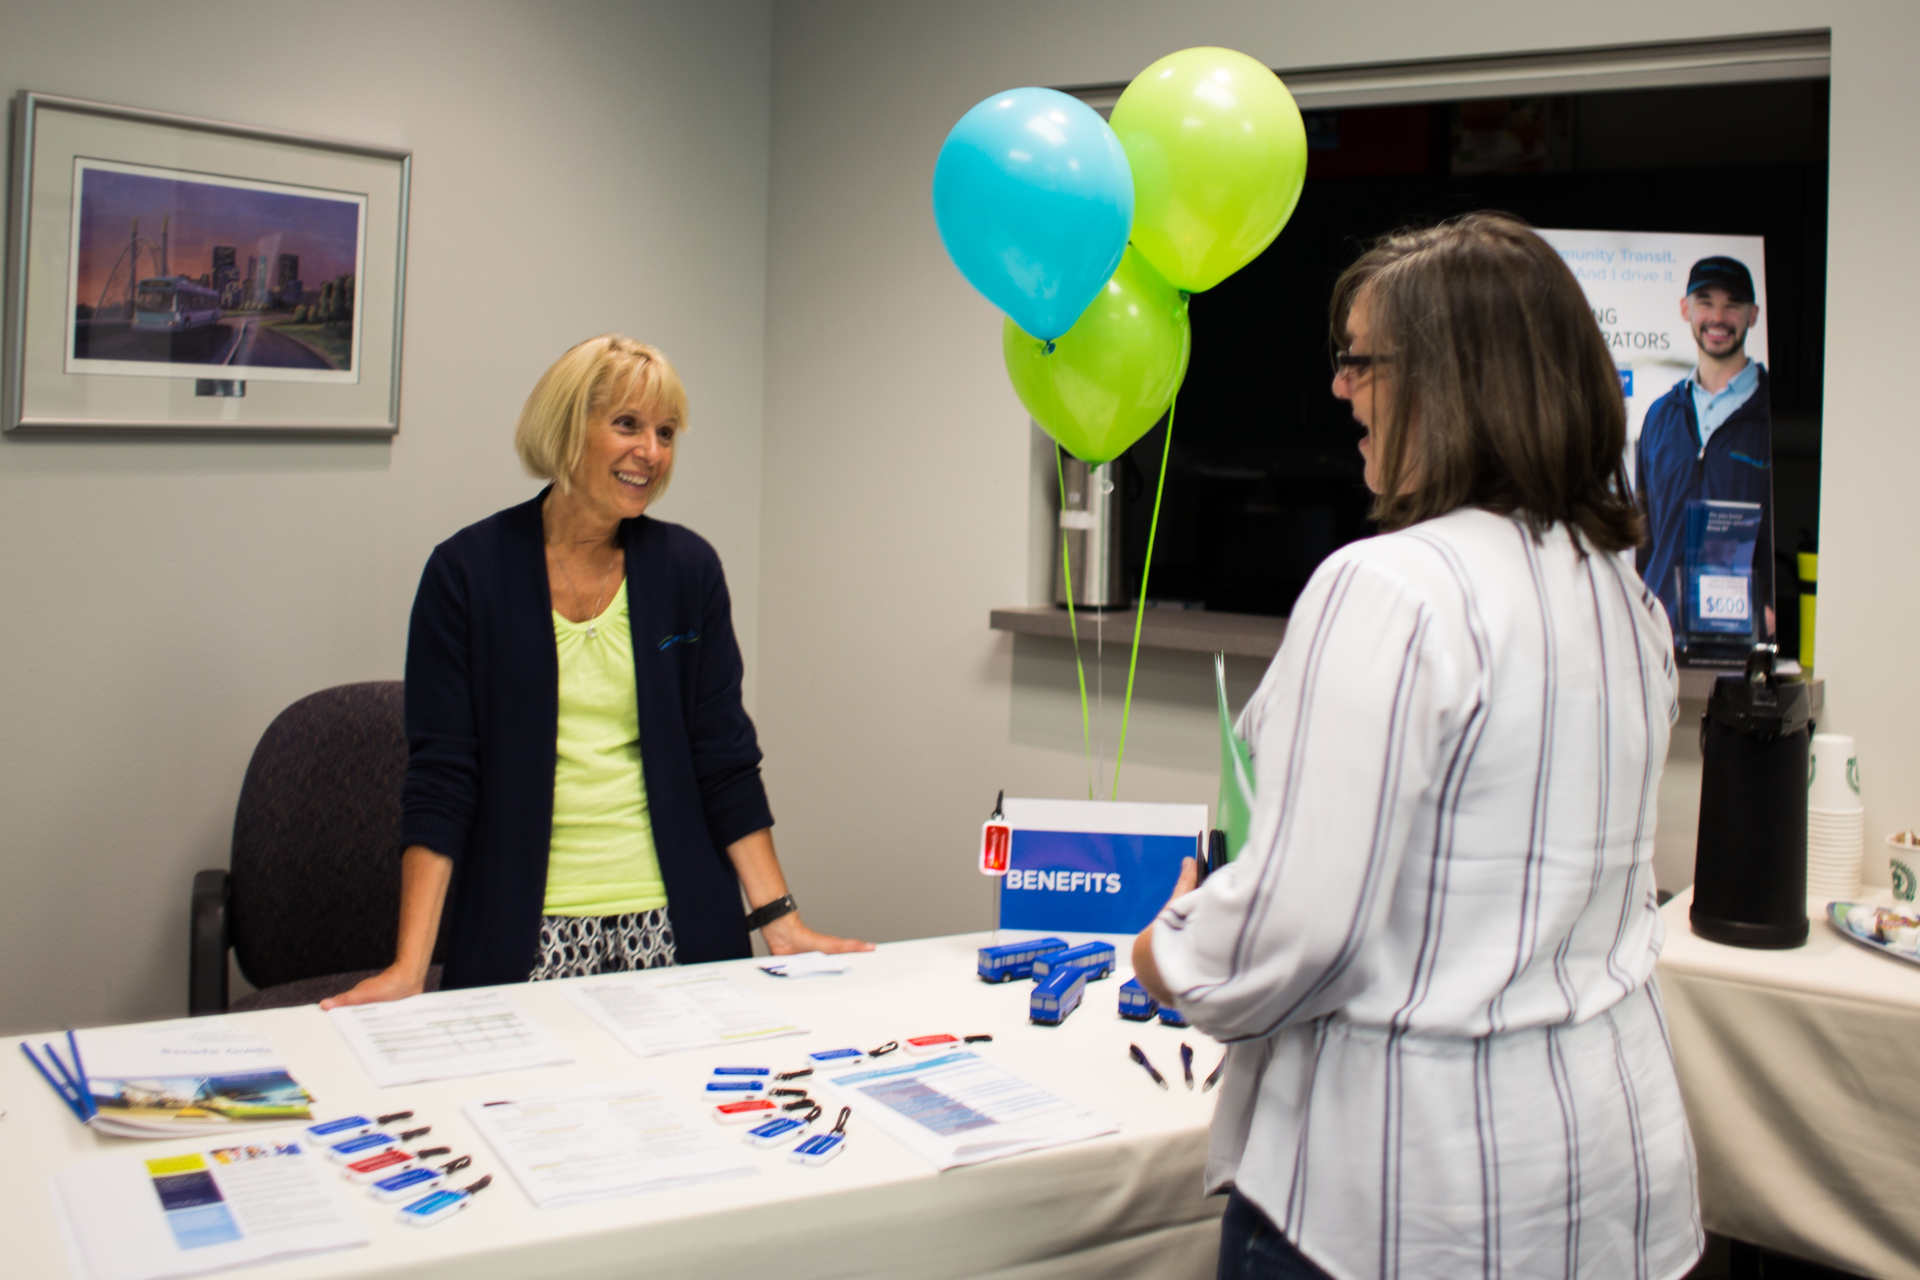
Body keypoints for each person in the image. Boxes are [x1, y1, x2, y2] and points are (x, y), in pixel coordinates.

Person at [1132, 215, 1701, 1280]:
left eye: (1360, 360)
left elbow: (1301, 928)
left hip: (1401, 1202)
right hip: (1605, 1180)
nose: (1340, 388)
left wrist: (1168, 951)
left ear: (1451, 382)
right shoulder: (1626, 599)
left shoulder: (1392, 587)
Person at [325, 335, 868, 1008]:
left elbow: (724, 758)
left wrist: (779, 923)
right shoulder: (466, 574)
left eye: (665, 432)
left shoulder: (688, 570)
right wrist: (409, 968)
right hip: (522, 929)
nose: (652, 452)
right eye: (628, 424)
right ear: (566, 428)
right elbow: (441, 780)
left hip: (679, 923)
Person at [1636, 255, 1774, 640]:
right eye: (1706, 302)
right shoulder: (1660, 415)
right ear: (1686, 309)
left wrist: (1773, 606)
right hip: (1661, 637)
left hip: (1742, 638)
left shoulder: (1769, 416)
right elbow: (1643, 532)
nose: (1717, 317)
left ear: (1752, 315)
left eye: (1732, 305)